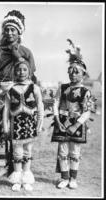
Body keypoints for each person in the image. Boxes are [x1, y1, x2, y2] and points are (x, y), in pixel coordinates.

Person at [0, 10, 37, 177]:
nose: (10, 32)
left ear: (20, 32)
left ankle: (19, 167)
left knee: (20, 130)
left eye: (13, 29)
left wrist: (16, 53)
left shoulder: (26, 52)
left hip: (20, 95)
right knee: (1, 130)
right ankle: (3, 165)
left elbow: (31, 75)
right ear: (3, 31)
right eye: (7, 29)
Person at [51, 39, 96, 189]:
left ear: (83, 74)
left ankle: (73, 179)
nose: (72, 74)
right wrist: (57, 120)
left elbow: (87, 111)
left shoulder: (86, 91)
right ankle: (64, 178)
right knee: (63, 150)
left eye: (76, 72)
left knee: (75, 151)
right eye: (70, 71)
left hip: (77, 124)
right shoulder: (62, 87)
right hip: (62, 122)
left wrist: (76, 124)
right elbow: (56, 103)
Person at [3, 60, 44, 191]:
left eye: (25, 69)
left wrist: (39, 124)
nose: (21, 72)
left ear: (29, 72)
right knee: (17, 152)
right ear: (15, 72)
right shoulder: (11, 89)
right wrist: (5, 126)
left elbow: (40, 107)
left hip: (30, 125)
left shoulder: (35, 88)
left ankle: (26, 179)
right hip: (16, 126)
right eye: (19, 69)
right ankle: (17, 179)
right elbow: (6, 109)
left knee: (28, 151)